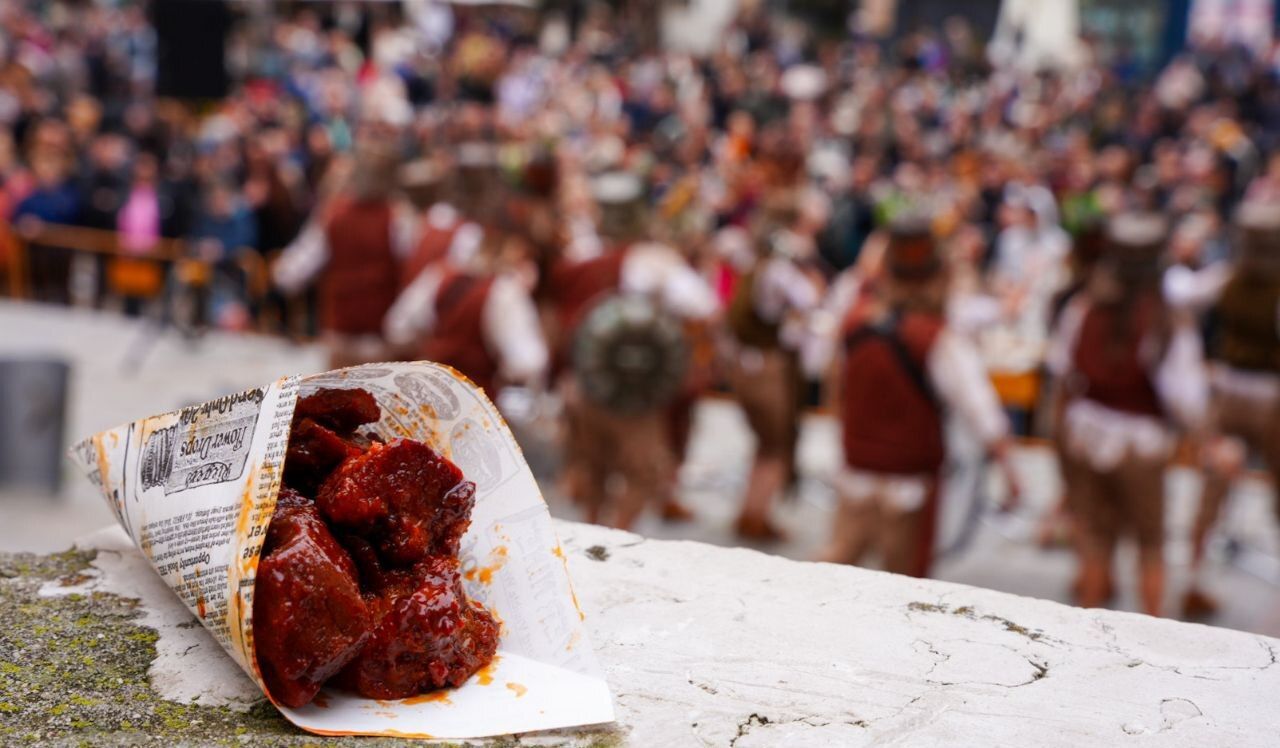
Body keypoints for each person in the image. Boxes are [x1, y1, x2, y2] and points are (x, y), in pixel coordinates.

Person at [819, 217, 1015, 577]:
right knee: (904, 574)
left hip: (858, 460)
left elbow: (834, 384)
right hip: (909, 471)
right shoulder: (936, 338)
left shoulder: (855, 322)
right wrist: (1010, 470)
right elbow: (980, 409)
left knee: (842, 554)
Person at [1048, 213, 1208, 616]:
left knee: (1096, 538)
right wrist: (1203, 437)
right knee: (1150, 542)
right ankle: (1149, 628)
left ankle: (1089, 617)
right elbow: (1186, 398)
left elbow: (1063, 372)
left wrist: (1063, 437)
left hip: (1085, 433)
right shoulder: (1165, 322)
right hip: (1140, 443)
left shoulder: (1084, 307)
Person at [549, 171, 717, 530]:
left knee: (593, 466)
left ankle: (593, 532)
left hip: (583, 383)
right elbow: (703, 306)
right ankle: (618, 534)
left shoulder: (579, 255)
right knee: (643, 471)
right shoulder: (652, 261)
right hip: (633, 391)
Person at [1184, 202, 1280, 618]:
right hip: (1270, 397)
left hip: (1228, 390)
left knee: (1213, 487)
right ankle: (1195, 582)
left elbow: (1181, 293)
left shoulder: (1227, 278)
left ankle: (1194, 579)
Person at [272, 99, 417, 367]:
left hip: (349, 337)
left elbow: (289, 273)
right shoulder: (398, 217)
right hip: (377, 339)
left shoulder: (335, 214)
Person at [726, 192, 823, 540]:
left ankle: (750, 511)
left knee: (765, 443)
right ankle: (757, 517)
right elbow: (810, 299)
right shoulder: (778, 269)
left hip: (746, 364)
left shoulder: (752, 261)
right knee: (777, 446)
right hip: (767, 367)